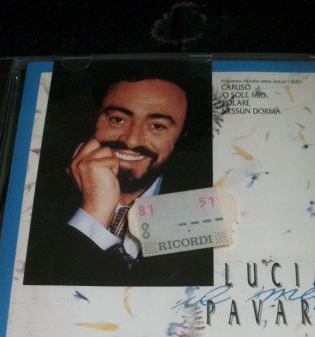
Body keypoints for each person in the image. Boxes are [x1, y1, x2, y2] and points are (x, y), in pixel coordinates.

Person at [24, 72, 213, 286]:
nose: (131, 141)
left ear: (181, 136)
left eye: (157, 126)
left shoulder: (206, 212)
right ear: (94, 119)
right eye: (118, 120)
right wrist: (94, 211)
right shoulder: (30, 195)